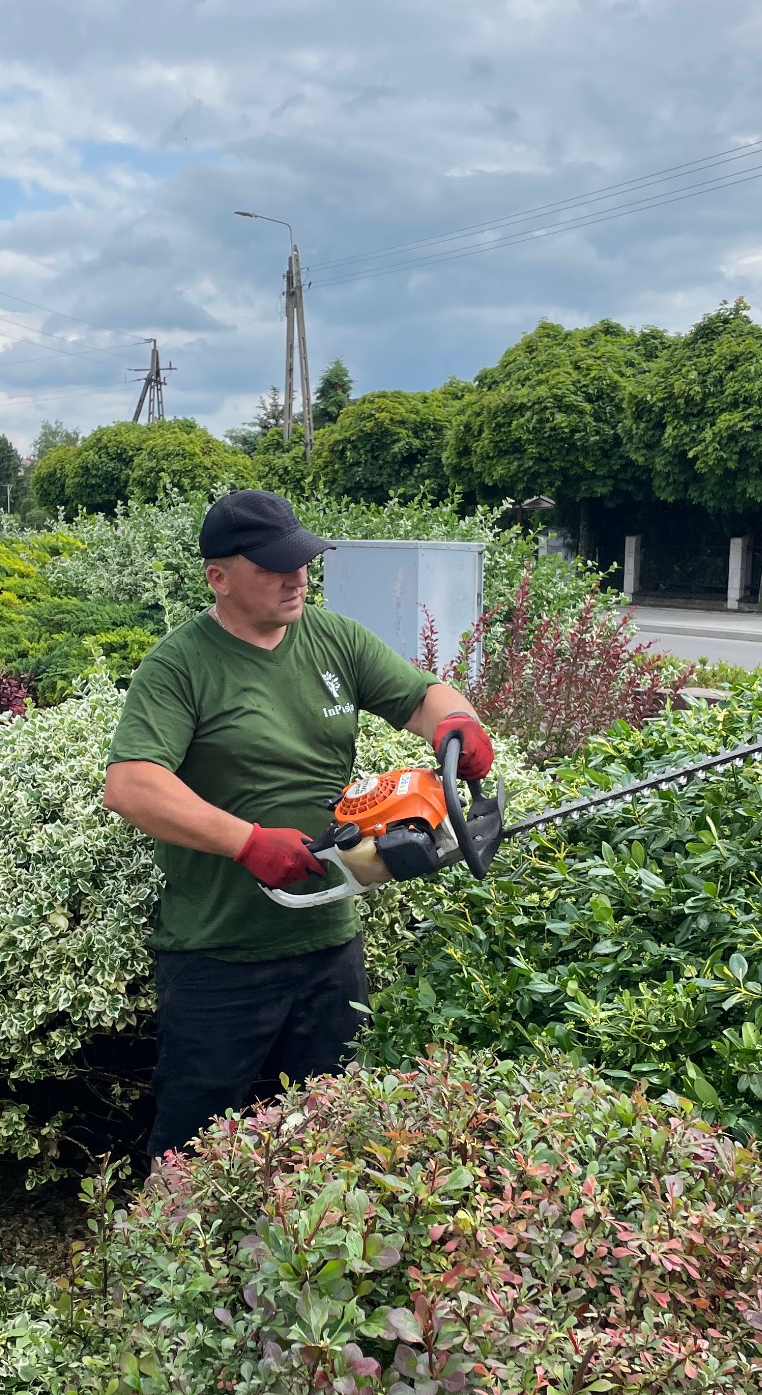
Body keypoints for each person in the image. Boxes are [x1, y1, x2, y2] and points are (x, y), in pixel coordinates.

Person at [103, 488, 494, 1160]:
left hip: (326, 938)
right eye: (271, 567)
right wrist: (246, 843)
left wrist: (455, 722)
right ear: (216, 577)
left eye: (302, 562)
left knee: (333, 1133)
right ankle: (156, 1257)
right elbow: (131, 786)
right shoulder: (180, 665)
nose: (295, 578)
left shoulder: (331, 636)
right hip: (217, 952)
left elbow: (422, 695)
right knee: (192, 1144)